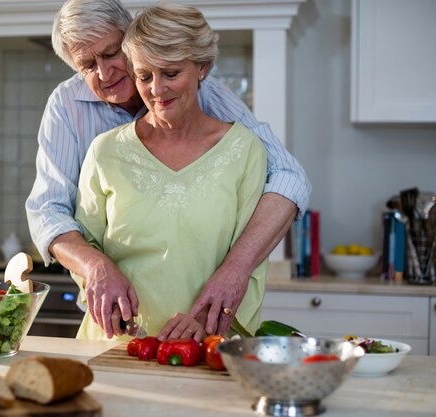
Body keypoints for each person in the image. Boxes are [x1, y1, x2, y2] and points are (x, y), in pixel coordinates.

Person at [26, 0, 311, 339]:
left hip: (204, 336)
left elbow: (289, 175)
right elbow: (48, 212)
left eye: (112, 53)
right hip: (118, 334)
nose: (105, 73)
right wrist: (96, 266)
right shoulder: (79, 122)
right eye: (87, 64)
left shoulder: (222, 115)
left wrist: (235, 271)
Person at [70, 2, 267, 341]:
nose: (156, 91)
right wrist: (103, 293)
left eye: (171, 73)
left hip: (205, 345)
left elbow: (248, 264)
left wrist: (205, 323)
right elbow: (87, 248)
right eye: (144, 76)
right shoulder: (106, 150)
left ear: (202, 67)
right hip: (114, 344)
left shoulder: (244, 151)